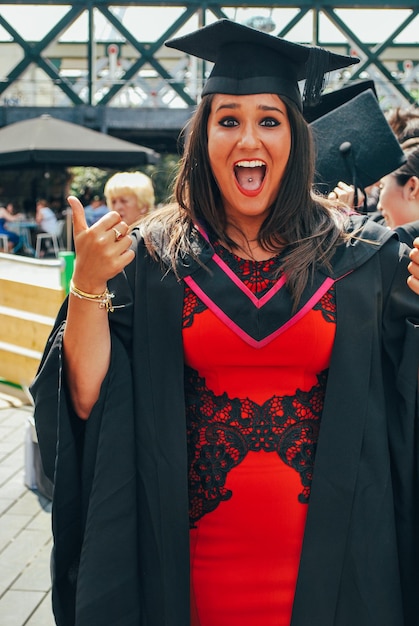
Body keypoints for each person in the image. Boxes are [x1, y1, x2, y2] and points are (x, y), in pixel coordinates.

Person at [30, 19, 419, 626]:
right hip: (185, 574)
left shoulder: (360, 258)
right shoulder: (152, 258)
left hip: (338, 571)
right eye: (228, 119)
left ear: (296, 137)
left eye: (270, 119)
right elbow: (85, 402)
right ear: (202, 136)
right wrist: (87, 286)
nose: (249, 139)